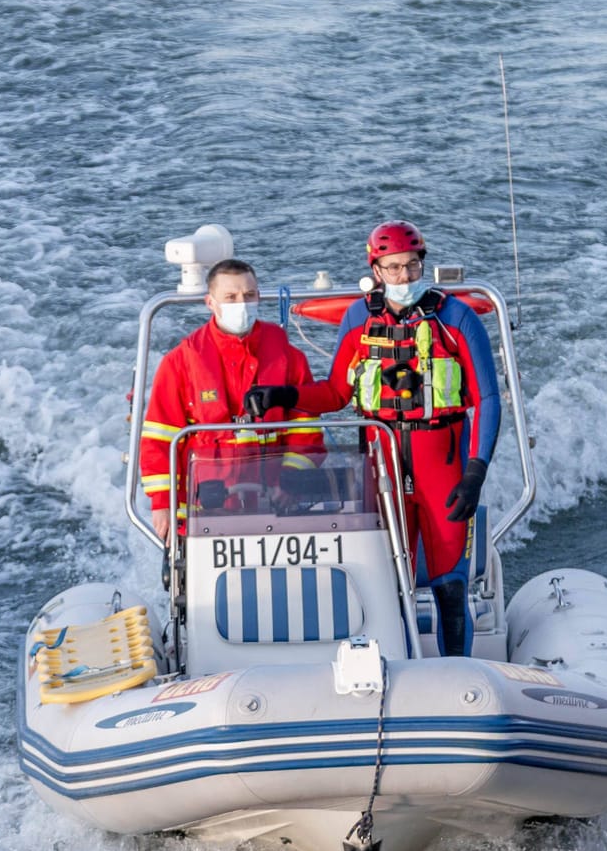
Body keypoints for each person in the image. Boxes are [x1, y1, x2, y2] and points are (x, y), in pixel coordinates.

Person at [244, 220, 501, 655]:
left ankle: (457, 675)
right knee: (389, 586)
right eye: (394, 268)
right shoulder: (359, 318)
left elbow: (489, 400)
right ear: (376, 270)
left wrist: (475, 472)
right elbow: (335, 394)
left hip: (444, 471)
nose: (405, 277)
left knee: (450, 589)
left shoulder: (455, 319)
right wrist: (285, 394)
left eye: (413, 267)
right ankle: (397, 678)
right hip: (381, 469)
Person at [139, 258, 322, 542]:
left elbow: (307, 427)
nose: (242, 303)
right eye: (231, 297)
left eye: (249, 295)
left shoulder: (287, 356)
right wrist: (162, 504)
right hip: (203, 512)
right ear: (210, 302)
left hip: (278, 506)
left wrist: (292, 480)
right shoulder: (182, 362)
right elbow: (159, 439)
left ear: (259, 296)